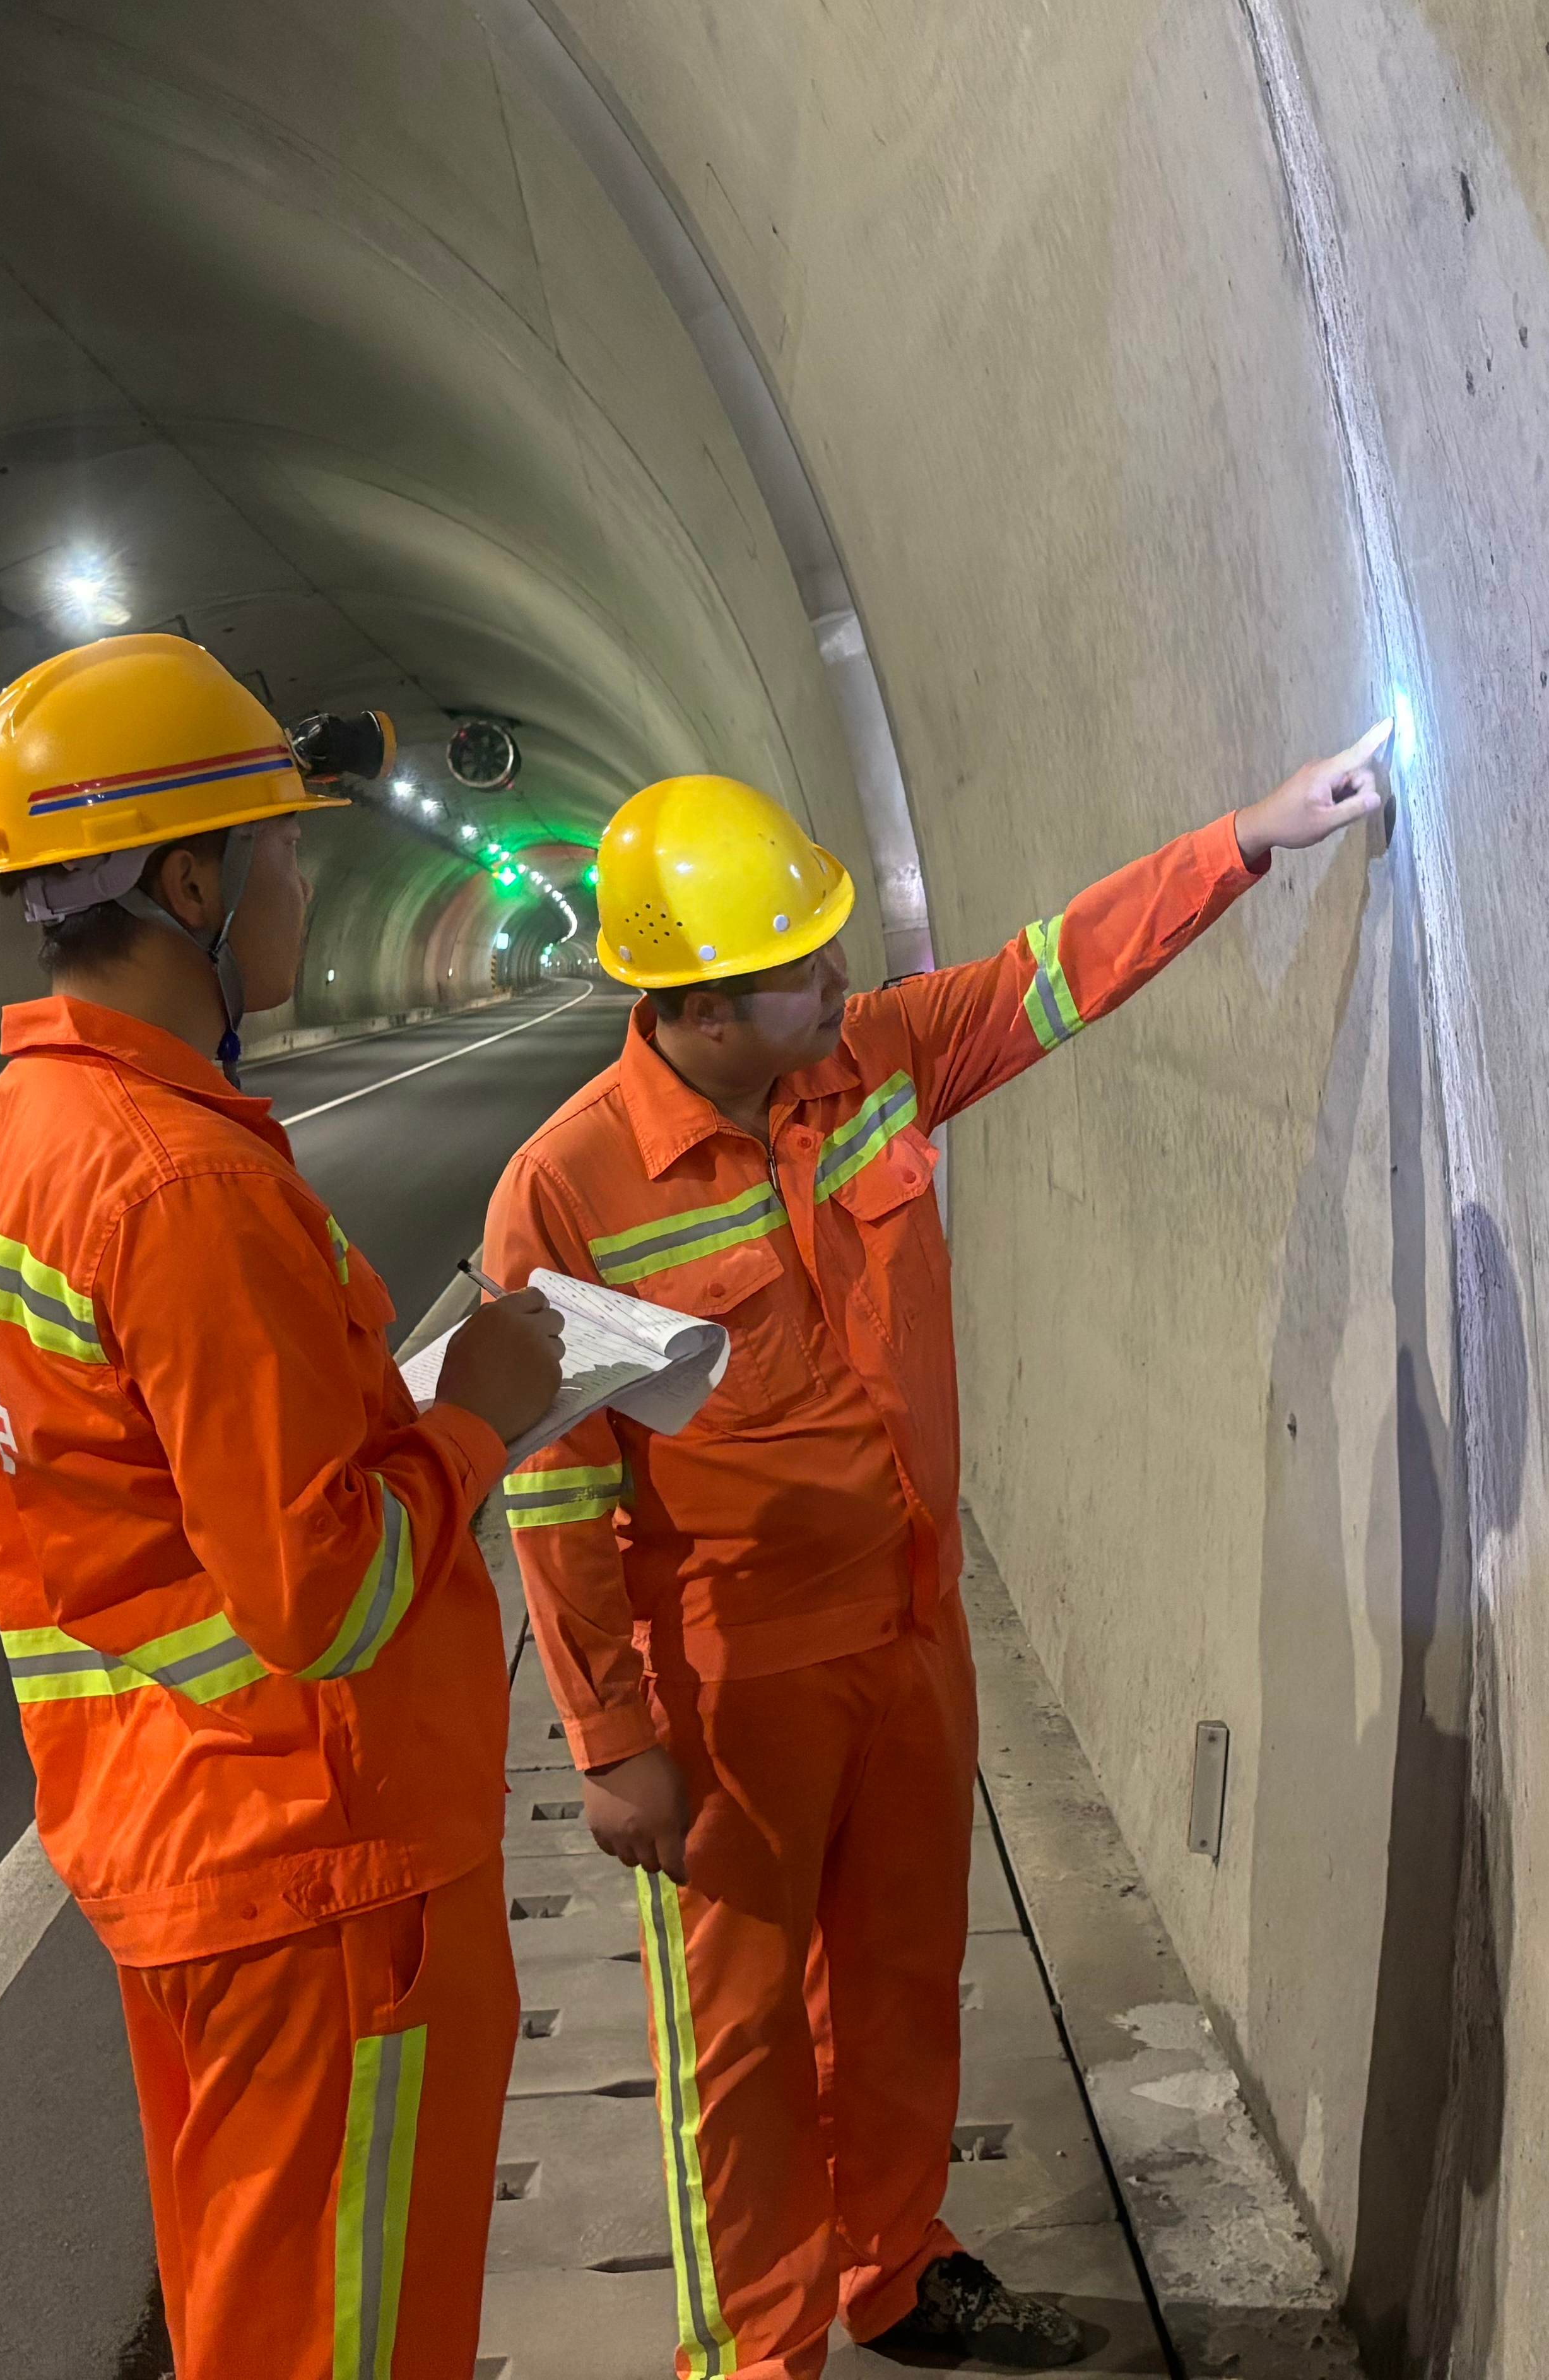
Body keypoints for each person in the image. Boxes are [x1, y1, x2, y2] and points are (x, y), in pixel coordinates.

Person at [483, 730, 1390, 2378]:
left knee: (903, 1976)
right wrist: (611, 1739)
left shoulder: (869, 1062)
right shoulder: (568, 1188)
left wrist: (1249, 840)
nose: (838, 979)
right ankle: (755, 2352)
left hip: (908, 1625)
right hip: (733, 1679)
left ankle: (892, 2270)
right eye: (795, 968)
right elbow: (552, 1488)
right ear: (694, 1010)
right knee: (741, 2039)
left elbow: (1052, 974)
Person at [0, 631, 565, 2380]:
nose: (300, 880)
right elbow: (322, 1595)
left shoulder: (9, 1149)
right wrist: (481, 1417)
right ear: (189, 883)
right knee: (348, 2341)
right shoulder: (176, 1183)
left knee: (258, 2323)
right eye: (280, 847)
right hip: (321, 1875)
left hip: (184, 1845)